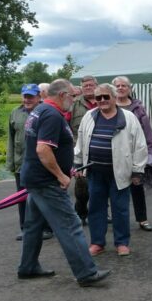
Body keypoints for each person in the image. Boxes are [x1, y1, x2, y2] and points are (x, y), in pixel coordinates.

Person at [17, 79, 110, 287]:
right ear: (61, 95)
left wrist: (65, 167)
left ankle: (28, 267)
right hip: (46, 181)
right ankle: (86, 273)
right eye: (72, 96)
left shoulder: (39, 111)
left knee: (33, 225)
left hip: (35, 178)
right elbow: (43, 149)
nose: (73, 99)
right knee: (70, 224)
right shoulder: (51, 115)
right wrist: (61, 175)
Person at [75, 83, 148, 257]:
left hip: (120, 172)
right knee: (95, 208)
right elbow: (81, 141)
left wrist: (138, 170)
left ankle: (122, 243)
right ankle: (97, 242)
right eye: (98, 97)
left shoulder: (129, 118)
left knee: (120, 209)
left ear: (114, 98)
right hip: (95, 172)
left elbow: (140, 145)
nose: (102, 100)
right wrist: (78, 164)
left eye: (106, 97)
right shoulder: (89, 116)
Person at [7, 83, 53, 241]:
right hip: (21, 163)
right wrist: (11, 163)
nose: (27, 99)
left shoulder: (45, 112)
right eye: (25, 96)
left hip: (41, 164)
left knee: (42, 197)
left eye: (31, 96)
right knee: (22, 198)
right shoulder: (15, 113)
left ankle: (46, 228)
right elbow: (11, 139)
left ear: (39, 97)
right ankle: (25, 229)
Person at [112, 75, 152, 232]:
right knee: (115, 189)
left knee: (137, 186)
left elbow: (147, 132)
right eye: (117, 85)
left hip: (134, 154)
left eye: (123, 85)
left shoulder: (138, 108)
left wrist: (151, 152)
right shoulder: (108, 106)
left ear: (129, 89)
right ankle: (118, 219)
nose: (120, 88)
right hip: (113, 155)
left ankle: (142, 219)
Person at [70, 75, 98, 225]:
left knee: (101, 185)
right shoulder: (74, 105)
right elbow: (65, 127)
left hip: (100, 151)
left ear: (96, 86)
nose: (88, 87)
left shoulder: (104, 102)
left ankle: (101, 213)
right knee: (82, 188)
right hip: (79, 152)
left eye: (90, 85)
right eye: (85, 85)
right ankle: (81, 213)